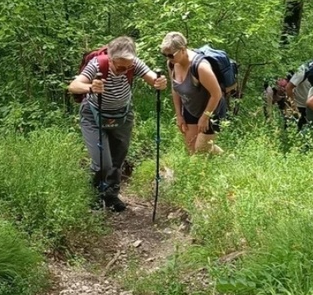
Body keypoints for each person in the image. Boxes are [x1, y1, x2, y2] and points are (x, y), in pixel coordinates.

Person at [67, 36, 167, 211]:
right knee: (102, 162)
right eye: (120, 67)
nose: (125, 70)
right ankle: (97, 194)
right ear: (111, 59)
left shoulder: (132, 63)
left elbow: (152, 78)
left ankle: (111, 195)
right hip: (93, 115)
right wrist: (91, 87)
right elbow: (74, 85)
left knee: (117, 159)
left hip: (122, 116)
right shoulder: (98, 64)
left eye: (128, 67)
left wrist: (159, 82)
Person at [159, 31, 226, 156]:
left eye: (171, 55)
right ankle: (221, 157)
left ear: (183, 49)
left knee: (200, 151)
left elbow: (216, 94)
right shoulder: (172, 64)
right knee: (192, 151)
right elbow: (175, 88)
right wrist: (179, 115)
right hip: (191, 109)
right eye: (165, 55)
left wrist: (205, 117)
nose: (168, 58)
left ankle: (224, 159)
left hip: (211, 110)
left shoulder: (200, 66)